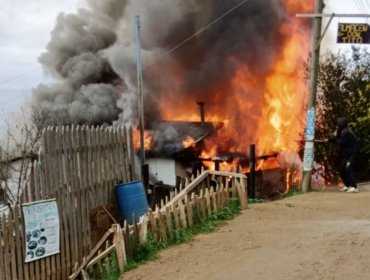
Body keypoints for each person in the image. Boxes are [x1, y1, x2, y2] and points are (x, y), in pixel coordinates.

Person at [328, 117, 360, 193]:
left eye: (337, 124)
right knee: (341, 169)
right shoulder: (342, 131)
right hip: (348, 154)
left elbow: (340, 142)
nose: (336, 126)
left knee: (348, 168)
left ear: (341, 124)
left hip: (353, 153)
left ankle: (354, 187)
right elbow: (335, 138)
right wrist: (331, 139)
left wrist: (333, 139)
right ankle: (348, 185)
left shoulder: (346, 132)